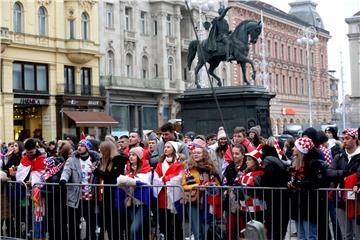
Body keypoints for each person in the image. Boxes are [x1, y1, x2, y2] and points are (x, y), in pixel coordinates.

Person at [288, 137, 329, 240]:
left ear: (301, 149)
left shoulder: (314, 163)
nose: (293, 149)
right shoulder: (297, 163)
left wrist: (298, 183)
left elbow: (316, 183)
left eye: (295, 147)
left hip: (310, 206)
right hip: (298, 204)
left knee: (310, 235)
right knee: (301, 236)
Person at [60, 139, 101, 240]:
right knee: (73, 223)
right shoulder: (72, 160)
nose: (79, 147)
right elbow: (66, 171)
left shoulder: (95, 161)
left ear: (88, 148)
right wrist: (63, 180)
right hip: (76, 197)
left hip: (90, 197)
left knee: (91, 223)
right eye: (78, 145)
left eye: (82, 145)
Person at [327, 128, 360, 240]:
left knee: (357, 234)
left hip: (357, 200)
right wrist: (345, 173)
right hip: (341, 199)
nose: (344, 141)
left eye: (347, 138)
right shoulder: (339, 156)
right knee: (346, 234)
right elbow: (329, 172)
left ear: (355, 140)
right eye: (343, 138)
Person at [182, 146, 221, 240]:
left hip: (208, 201)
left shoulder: (211, 169)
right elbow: (184, 185)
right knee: (197, 231)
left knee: (206, 229)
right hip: (193, 201)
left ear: (204, 155)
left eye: (198, 153)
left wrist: (210, 186)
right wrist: (198, 187)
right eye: (194, 152)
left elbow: (218, 185)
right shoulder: (188, 168)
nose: (195, 154)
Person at [93, 140, 128, 240]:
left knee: (115, 224)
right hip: (105, 196)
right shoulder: (105, 160)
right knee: (107, 222)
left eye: (102, 150)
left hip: (115, 195)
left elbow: (113, 177)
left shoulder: (119, 160)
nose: (100, 153)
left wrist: (97, 172)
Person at [117, 146, 152, 240]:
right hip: (130, 201)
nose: (131, 157)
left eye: (134, 155)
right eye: (130, 155)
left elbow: (143, 182)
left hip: (142, 202)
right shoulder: (128, 168)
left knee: (133, 229)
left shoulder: (146, 168)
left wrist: (128, 179)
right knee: (136, 230)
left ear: (139, 157)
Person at [153, 141, 184, 240]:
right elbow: (156, 179)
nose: (165, 149)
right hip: (162, 197)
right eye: (165, 147)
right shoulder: (160, 164)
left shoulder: (180, 164)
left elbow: (178, 178)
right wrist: (167, 179)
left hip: (175, 197)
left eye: (168, 147)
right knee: (164, 224)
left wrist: (164, 178)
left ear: (174, 149)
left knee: (177, 224)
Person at [222, 144, 246, 240]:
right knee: (230, 230)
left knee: (243, 230)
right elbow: (224, 181)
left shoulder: (246, 166)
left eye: (237, 153)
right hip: (230, 202)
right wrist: (226, 188)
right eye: (233, 153)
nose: (235, 155)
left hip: (243, 204)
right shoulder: (229, 166)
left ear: (243, 155)